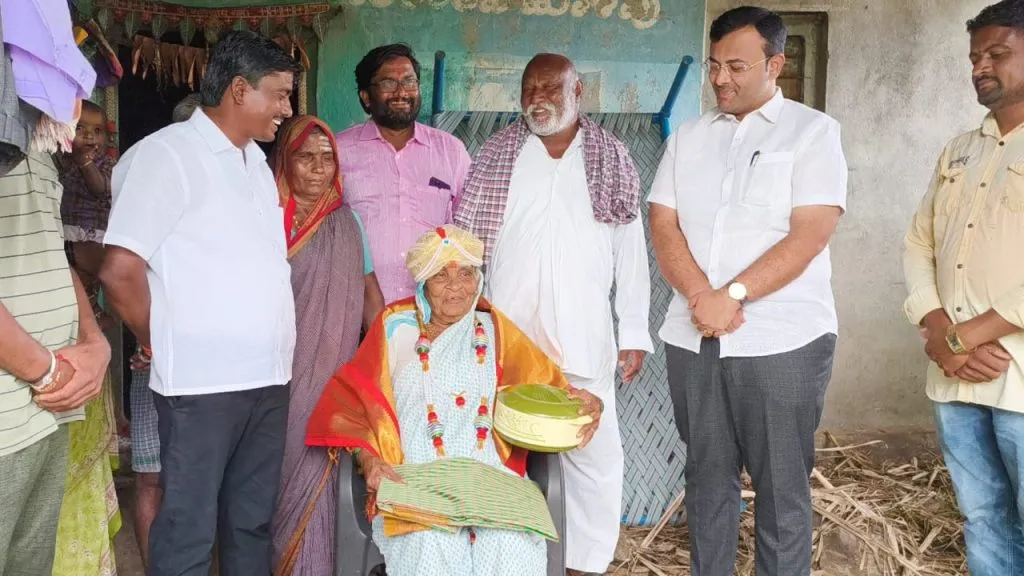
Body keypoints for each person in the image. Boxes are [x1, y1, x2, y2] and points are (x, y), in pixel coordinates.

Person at [647, 7, 847, 575]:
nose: (720, 79)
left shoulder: (812, 132)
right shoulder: (689, 137)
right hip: (695, 337)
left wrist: (732, 294)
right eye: (714, 65)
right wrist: (700, 296)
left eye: (736, 66)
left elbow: (811, 232)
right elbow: (664, 224)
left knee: (782, 492)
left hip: (782, 340)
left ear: (775, 64)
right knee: (707, 482)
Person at [99, 30, 299, 575]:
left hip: (268, 379)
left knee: (250, 524)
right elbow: (119, 271)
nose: (287, 109)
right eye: (279, 94)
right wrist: (156, 339)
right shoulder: (167, 156)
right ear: (239, 89)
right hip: (202, 387)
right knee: (188, 528)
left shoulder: (254, 162)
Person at [305, 225, 604, 575]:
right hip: (417, 476)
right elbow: (353, 402)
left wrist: (585, 404)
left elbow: (545, 387)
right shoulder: (396, 327)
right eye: (441, 276)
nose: (456, 287)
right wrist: (369, 461)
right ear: (422, 283)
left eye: (465, 274)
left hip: (490, 475)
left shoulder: (493, 329)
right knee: (431, 547)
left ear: (478, 280)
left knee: (510, 547)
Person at [454, 53, 652, 575]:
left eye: (550, 87)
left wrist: (633, 331)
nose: (537, 98)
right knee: (504, 459)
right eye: (529, 88)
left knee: (595, 462)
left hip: (586, 338)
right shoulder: (498, 157)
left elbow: (631, 256)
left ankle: (584, 566)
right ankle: (511, 562)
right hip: (510, 342)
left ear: (577, 92)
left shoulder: (611, 158)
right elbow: (469, 251)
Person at [903, 2, 1024, 574]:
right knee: (983, 516)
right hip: (955, 381)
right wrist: (938, 332)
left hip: (1017, 376)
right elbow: (918, 244)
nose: (981, 67)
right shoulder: (959, 150)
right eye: (975, 56)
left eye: (997, 54)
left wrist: (965, 337)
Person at [269, 114, 385, 575]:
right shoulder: (261, 216)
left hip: (327, 378)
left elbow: (370, 299)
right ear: (284, 160)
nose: (318, 169)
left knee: (318, 478)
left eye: (327, 159)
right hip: (268, 374)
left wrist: (380, 365)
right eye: (305, 158)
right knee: (267, 483)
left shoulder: (346, 224)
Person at [0, 150, 111, 576]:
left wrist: (94, 341)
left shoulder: (39, 147)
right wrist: (44, 370)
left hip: (47, 408)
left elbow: (52, 256)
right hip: (18, 402)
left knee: (29, 563)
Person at [125, 90, 204, 570]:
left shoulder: (233, 198)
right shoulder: (148, 189)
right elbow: (124, 273)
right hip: (154, 359)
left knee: (195, 479)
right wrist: (147, 337)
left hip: (206, 369)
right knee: (152, 476)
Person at [337, 43, 472, 303]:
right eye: (388, 83)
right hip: (358, 312)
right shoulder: (339, 151)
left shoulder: (451, 151)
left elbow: (467, 231)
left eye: (409, 81)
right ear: (366, 96)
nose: (401, 92)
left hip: (433, 311)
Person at [54, 100, 113, 294]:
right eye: (80, 128)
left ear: (106, 138)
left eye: (97, 131)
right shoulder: (62, 160)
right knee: (70, 283)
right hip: (65, 231)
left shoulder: (106, 164)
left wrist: (85, 163)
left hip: (93, 235)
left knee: (88, 281)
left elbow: (99, 189)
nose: (89, 136)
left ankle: (95, 310)